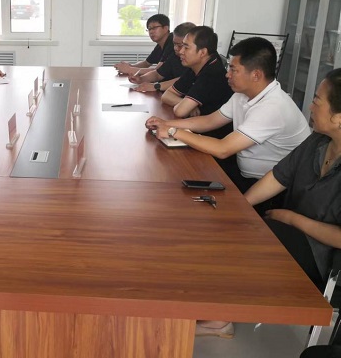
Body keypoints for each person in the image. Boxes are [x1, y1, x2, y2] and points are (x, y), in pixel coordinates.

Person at [199, 68, 341, 339]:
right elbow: (279, 176)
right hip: (294, 231)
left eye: (317, 100)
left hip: (326, 258)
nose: (310, 106)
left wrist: (291, 218)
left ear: (339, 117)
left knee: (248, 238)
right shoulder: (318, 141)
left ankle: (218, 319)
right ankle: (213, 307)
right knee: (230, 224)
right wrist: (239, 208)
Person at [146, 36, 311, 193]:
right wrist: (166, 123)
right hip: (242, 171)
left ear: (256, 75)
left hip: (268, 187)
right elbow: (210, 121)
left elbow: (222, 149)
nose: (227, 74)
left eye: (233, 69)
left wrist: (173, 131)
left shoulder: (273, 107)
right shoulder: (242, 94)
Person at [130, 22, 195, 93]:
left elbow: (183, 80)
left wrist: (155, 86)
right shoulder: (174, 56)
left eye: (180, 45)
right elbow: (158, 74)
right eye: (174, 44)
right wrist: (141, 79)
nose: (176, 48)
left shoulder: (196, 62)